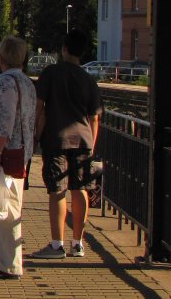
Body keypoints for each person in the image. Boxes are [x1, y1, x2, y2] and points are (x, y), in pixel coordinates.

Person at [31, 28, 103, 259]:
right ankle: (78, 243)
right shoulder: (89, 80)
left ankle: (56, 245)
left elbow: (40, 108)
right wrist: (91, 145)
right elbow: (94, 118)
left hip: (56, 140)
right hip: (83, 141)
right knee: (80, 189)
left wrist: (36, 135)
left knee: (57, 191)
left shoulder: (50, 73)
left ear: (64, 49)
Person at [0, 35, 36, 280]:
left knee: (5, 210)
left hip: (5, 155)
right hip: (20, 152)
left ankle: (8, 264)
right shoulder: (27, 83)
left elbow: (5, 119)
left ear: (1, 57)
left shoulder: (5, 82)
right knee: (6, 208)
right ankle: (1, 261)